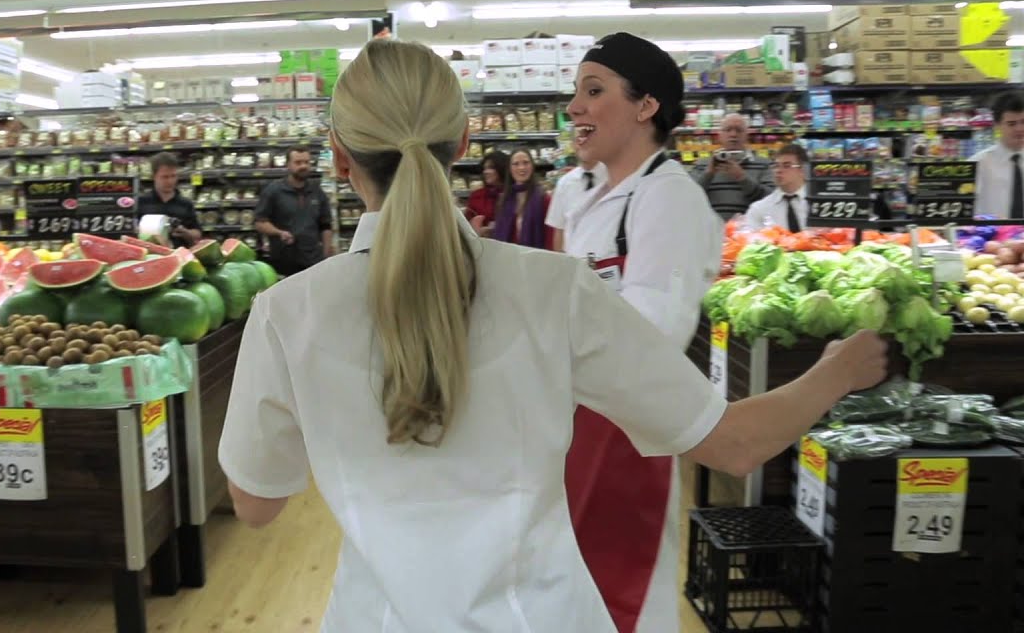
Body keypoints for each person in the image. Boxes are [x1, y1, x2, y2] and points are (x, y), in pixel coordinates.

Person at [216, 38, 888, 632]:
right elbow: (736, 445)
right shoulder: (557, 290)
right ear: (463, 144)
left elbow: (257, 504)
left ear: (338, 156)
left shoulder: (285, 312)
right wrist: (840, 367)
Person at [558, 32, 724, 633]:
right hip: (578, 430)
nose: (574, 107)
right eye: (575, 92)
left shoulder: (668, 199)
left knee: (620, 603)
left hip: (625, 443)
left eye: (593, 90)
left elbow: (654, 337)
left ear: (645, 105)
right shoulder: (597, 199)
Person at [254, 147, 333, 275]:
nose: (303, 166)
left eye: (307, 162)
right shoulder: (273, 191)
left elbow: (326, 225)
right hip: (283, 261)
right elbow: (260, 223)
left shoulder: (317, 192)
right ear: (288, 165)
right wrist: (279, 233)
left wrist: (326, 253)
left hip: (312, 260)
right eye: (298, 162)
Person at [690, 113, 774, 220]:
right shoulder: (702, 164)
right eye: (728, 130)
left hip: (748, 234)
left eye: (739, 130)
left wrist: (742, 178)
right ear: (719, 135)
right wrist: (708, 174)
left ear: (747, 134)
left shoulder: (764, 164)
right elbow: (689, 197)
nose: (733, 134)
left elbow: (771, 200)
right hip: (710, 232)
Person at [973, 92, 1024, 219]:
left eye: (1023, 122)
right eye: (1011, 124)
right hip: (992, 237)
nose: (1020, 128)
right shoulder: (978, 164)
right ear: (997, 126)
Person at [137, 152, 202, 248]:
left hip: (180, 255)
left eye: (173, 176)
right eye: (165, 177)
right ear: (154, 176)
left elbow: (198, 232)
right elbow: (132, 230)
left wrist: (186, 232)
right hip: (150, 255)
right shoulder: (141, 201)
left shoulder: (186, 203)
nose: (170, 181)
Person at [490, 148, 552, 249]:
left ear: (532, 166)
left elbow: (549, 237)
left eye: (526, 163)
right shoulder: (504, 199)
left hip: (536, 259)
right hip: (509, 259)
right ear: (510, 169)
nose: (521, 167)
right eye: (516, 164)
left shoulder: (544, 198)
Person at [746, 143, 809, 232]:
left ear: (802, 170)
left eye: (786, 166)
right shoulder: (759, 209)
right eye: (776, 166)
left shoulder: (820, 204)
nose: (778, 170)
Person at [547, 158, 600, 253]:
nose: (581, 143)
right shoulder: (564, 183)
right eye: (577, 141)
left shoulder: (614, 177)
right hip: (575, 259)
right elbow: (559, 228)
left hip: (608, 258)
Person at [464, 151, 508, 237]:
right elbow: (466, 227)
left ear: (502, 168)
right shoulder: (476, 196)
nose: (486, 172)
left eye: (491, 168)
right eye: (484, 168)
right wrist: (478, 231)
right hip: (483, 245)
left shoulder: (514, 194)